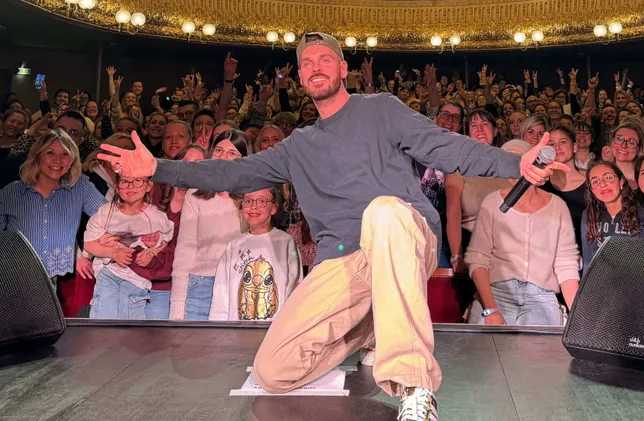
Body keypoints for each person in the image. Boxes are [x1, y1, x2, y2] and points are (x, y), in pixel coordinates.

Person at [100, 32, 564, 418]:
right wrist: (157, 167)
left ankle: (414, 387)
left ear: (344, 70)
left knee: (382, 212)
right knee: (273, 370)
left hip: (400, 236)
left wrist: (513, 162)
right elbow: (230, 173)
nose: (316, 66)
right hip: (343, 261)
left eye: (326, 59)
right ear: (301, 77)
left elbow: (444, 146)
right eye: (307, 63)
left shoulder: (380, 109)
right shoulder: (297, 145)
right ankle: (374, 322)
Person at [465, 140, 580, 326]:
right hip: (498, 293)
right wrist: (490, 309)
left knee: (544, 352)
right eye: (507, 162)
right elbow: (478, 260)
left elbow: (566, 265)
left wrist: (579, 316)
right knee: (485, 351)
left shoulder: (557, 206)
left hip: (542, 297)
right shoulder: (492, 203)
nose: (514, 169)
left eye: (518, 161)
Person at [0, 131, 105, 280]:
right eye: (50, 153)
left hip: (57, 280)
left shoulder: (81, 187)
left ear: (72, 160)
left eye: (65, 154)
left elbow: (110, 218)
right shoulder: (12, 191)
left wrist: (83, 253)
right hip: (13, 276)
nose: (58, 160)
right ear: (37, 157)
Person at [170, 136, 247, 320]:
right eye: (218, 150)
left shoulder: (249, 198)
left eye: (231, 152)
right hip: (201, 284)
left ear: (243, 159)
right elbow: (184, 252)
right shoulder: (195, 195)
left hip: (238, 282)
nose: (222, 157)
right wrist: (177, 308)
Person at [84, 166, 175, 320]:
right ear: (117, 187)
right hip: (109, 272)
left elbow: (167, 239)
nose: (131, 187)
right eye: (125, 182)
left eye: (137, 181)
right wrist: (113, 252)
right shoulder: (105, 213)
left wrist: (152, 252)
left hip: (136, 276)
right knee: (104, 317)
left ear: (148, 186)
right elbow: (89, 243)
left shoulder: (156, 216)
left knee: (130, 322)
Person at [209, 187, 303, 321]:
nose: (254, 206)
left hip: (274, 333)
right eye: (248, 201)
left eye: (262, 201)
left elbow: (295, 290)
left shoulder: (286, 242)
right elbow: (221, 296)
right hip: (237, 334)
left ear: (273, 208)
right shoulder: (233, 246)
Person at [443, 110, 510, 274]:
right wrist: (456, 255)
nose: (480, 129)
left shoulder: (509, 165)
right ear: (467, 133)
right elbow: (453, 214)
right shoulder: (457, 169)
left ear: (495, 131)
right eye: (474, 125)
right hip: (473, 245)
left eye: (485, 124)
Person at [578, 160, 644, 268]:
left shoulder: (643, 215)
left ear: (621, 182)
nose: (602, 184)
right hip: (601, 283)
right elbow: (589, 261)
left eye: (608, 178)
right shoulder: (589, 215)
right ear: (592, 190)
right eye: (595, 181)